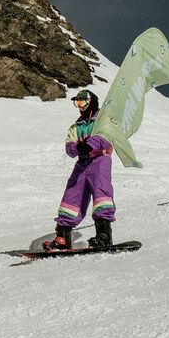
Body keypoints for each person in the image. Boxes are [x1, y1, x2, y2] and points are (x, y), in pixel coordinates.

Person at [43, 90, 116, 251]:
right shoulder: (77, 126)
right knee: (72, 195)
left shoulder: (102, 120)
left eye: (82, 102)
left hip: (100, 159)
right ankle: (63, 236)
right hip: (82, 162)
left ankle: (104, 234)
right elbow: (69, 145)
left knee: (101, 194)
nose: (80, 106)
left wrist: (90, 144)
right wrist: (77, 148)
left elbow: (106, 136)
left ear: (91, 102)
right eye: (77, 103)